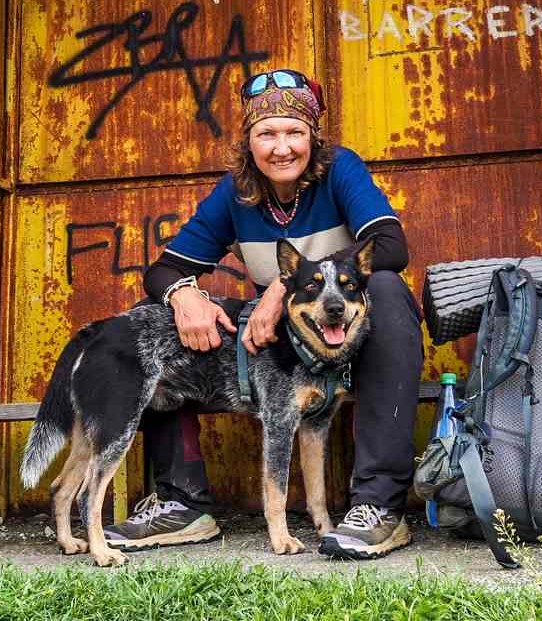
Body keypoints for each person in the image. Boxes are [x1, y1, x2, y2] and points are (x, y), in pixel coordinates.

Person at [103, 69, 423, 560]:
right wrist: (183, 296)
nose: (282, 147)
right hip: (292, 353)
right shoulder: (235, 193)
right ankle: (181, 502)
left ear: (313, 138)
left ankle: (379, 505)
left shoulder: (341, 170)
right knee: (160, 315)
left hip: (355, 346)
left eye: (294, 132)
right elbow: (163, 271)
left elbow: (391, 246)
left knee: (387, 288)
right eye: (266, 133)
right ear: (248, 141)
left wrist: (282, 285)